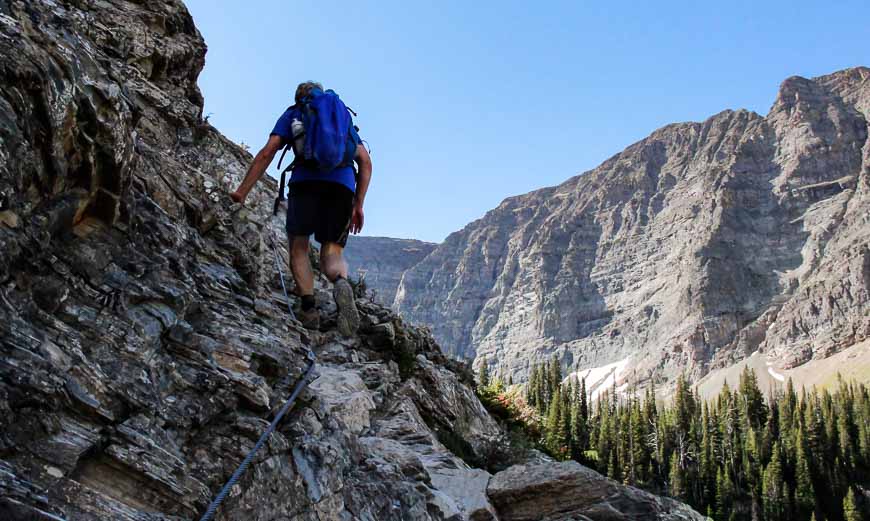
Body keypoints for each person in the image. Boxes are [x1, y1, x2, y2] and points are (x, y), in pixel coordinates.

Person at [230, 81, 372, 335]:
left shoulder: (295, 113)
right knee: (332, 252)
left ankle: (309, 309)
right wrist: (358, 204)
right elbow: (365, 162)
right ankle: (340, 282)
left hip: (305, 184)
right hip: (342, 186)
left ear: (299, 97)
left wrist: (242, 191)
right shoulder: (341, 118)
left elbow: (268, 152)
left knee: (299, 247)